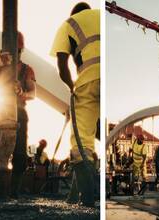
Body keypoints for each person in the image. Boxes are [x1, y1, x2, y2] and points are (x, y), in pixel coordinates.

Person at [50, 2, 100, 207]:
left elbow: (62, 66)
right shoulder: (100, 15)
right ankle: (78, 196)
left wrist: (72, 87)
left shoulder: (68, 24)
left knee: (81, 144)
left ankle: (88, 201)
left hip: (87, 82)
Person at [0, 31, 36, 198]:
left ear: (20, 52)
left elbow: (33, 93)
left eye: (16, 51)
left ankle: (14, 191)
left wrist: (22, 92)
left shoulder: (27, 70)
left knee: (20, 154)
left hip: (19, 112)